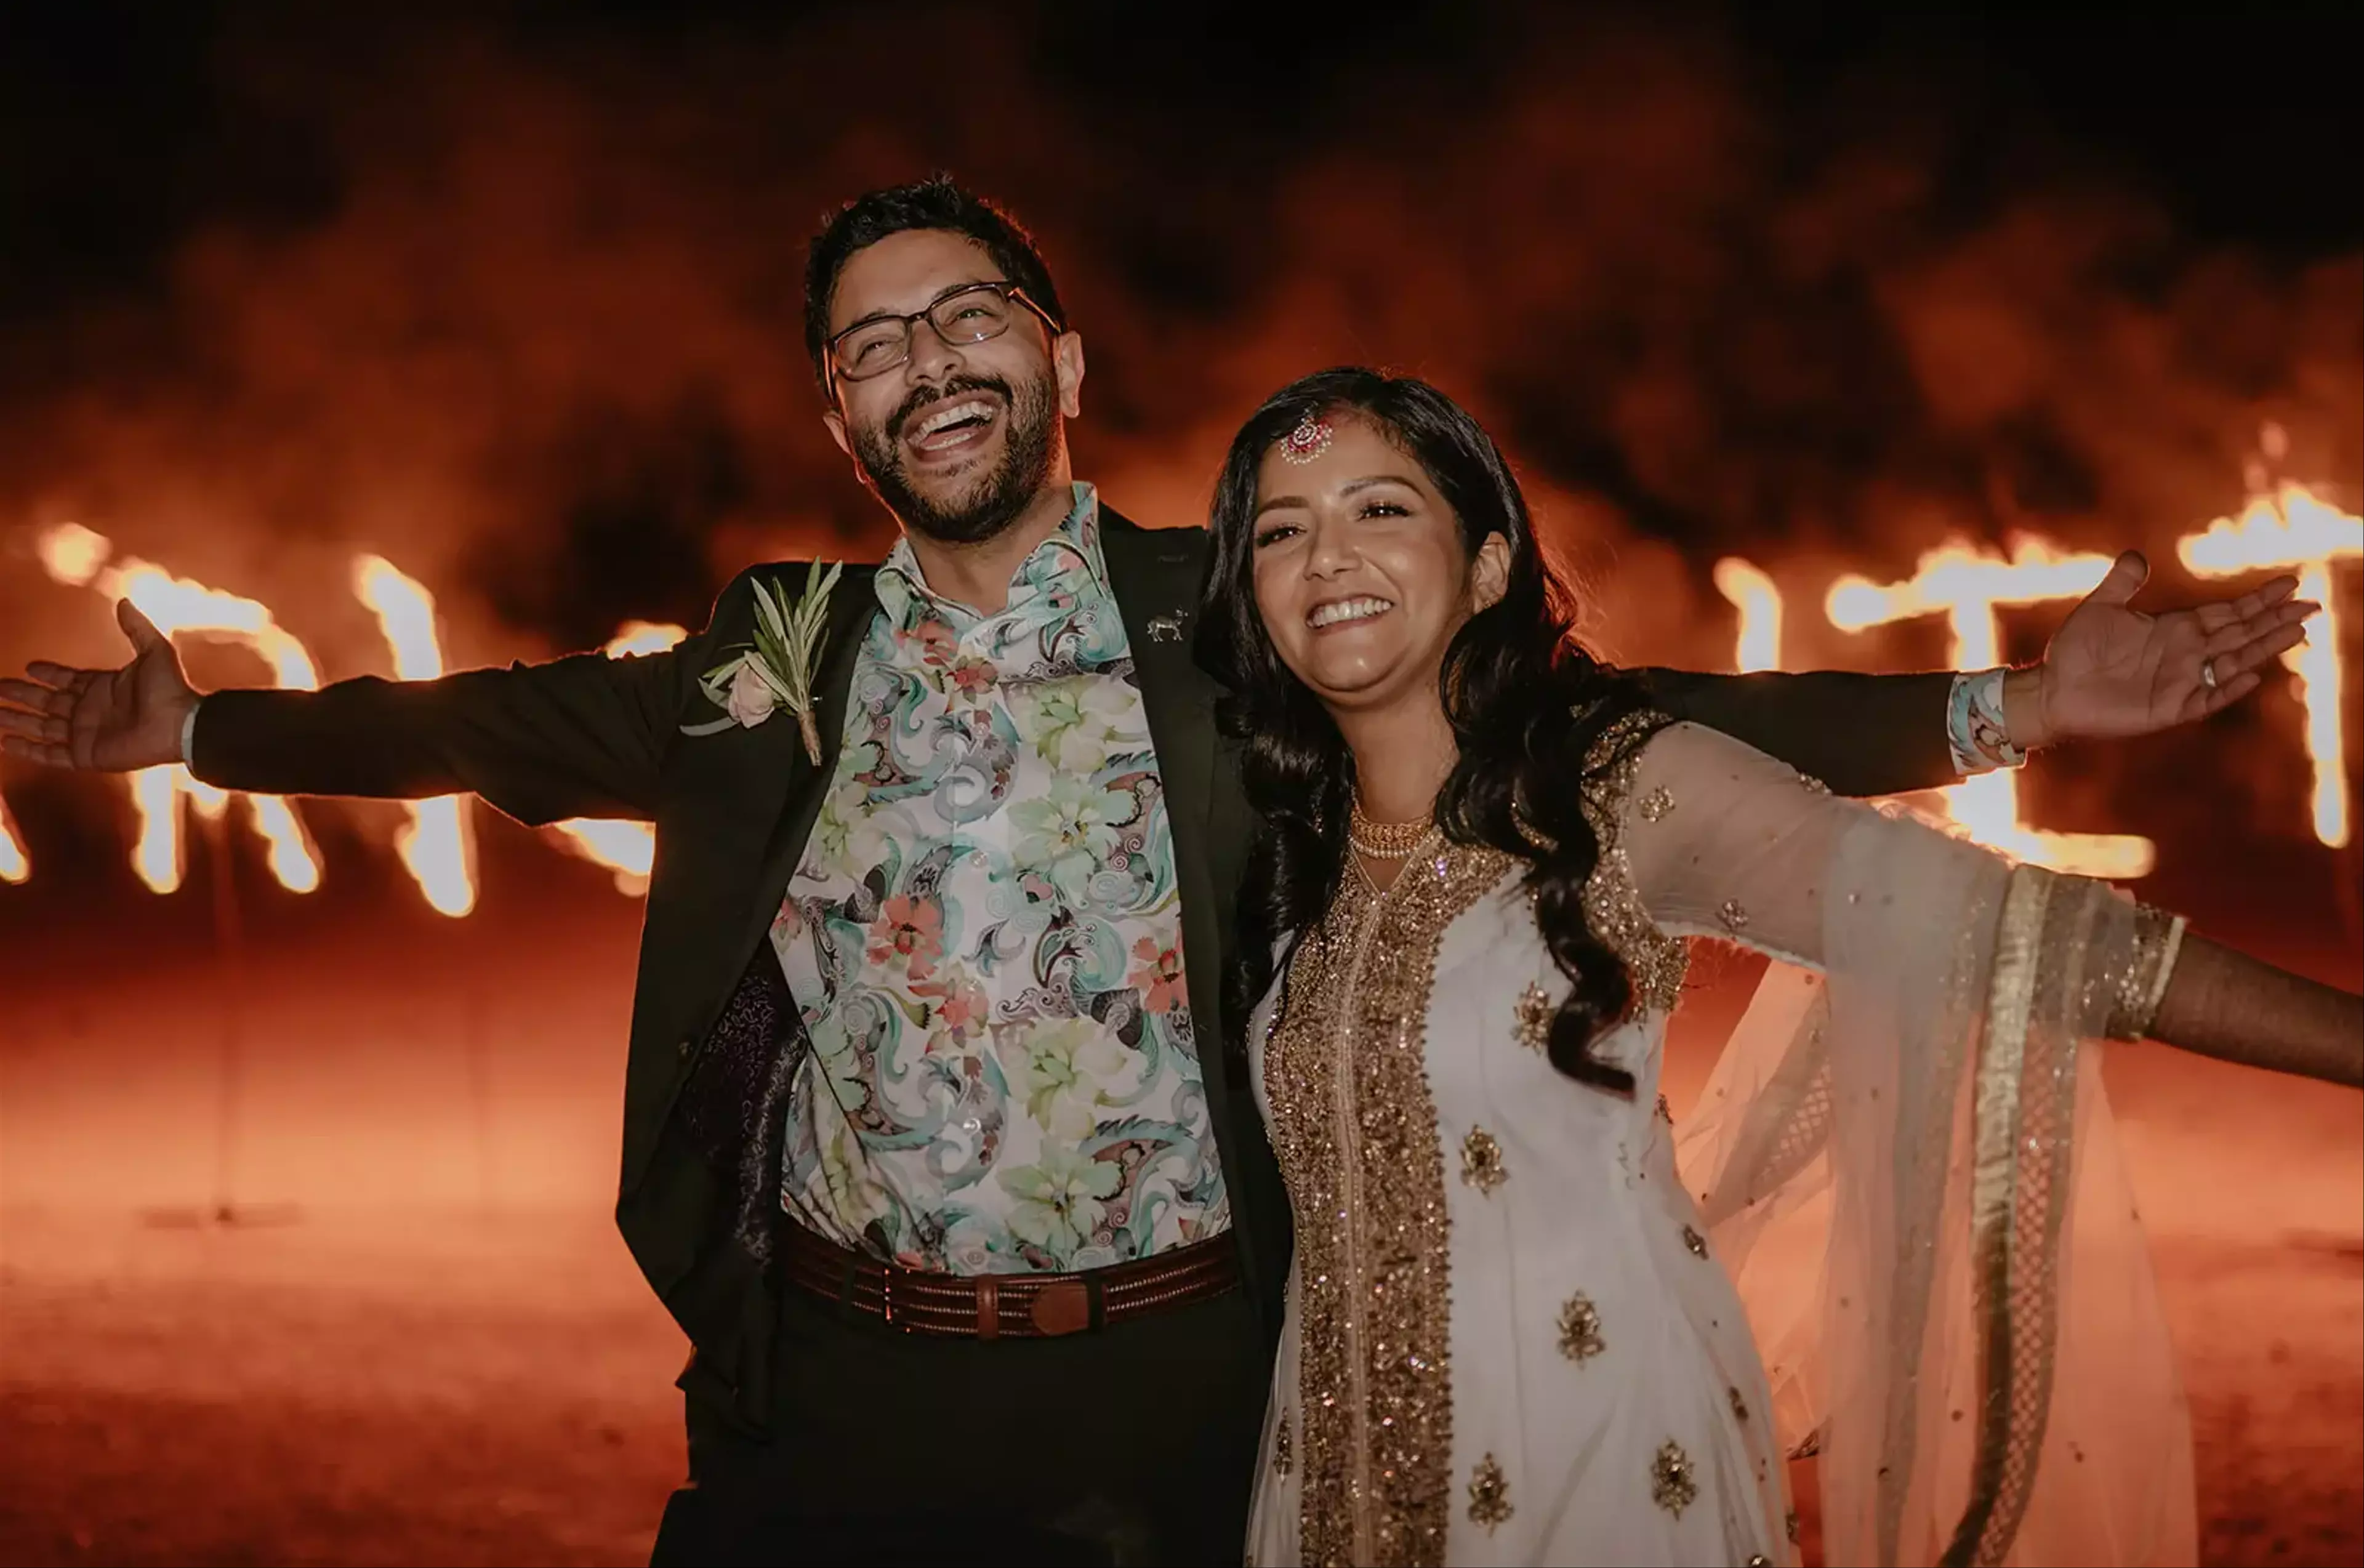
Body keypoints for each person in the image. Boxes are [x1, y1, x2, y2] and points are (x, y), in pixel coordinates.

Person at [0, 180, 2322, 1568]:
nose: (928, 361)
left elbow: (1609, 724)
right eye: (871, 342)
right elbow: (493, 718)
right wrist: (204, 726)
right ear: (839, 415)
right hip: (844, 1393)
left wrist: (2015, 707)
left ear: (1061, 357)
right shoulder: (771, 657)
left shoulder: (1235, 619)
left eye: (967, 314)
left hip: (1187, 1382)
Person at [1190, 366, 2362, 1568]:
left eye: (1380, 509)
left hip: (1595, 1463)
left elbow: (2033, 940)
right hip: (1327, 1485)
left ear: (1488, 566)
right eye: (1285, 528)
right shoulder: (1284, 849)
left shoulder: (1622, 789)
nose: (1329, 555)